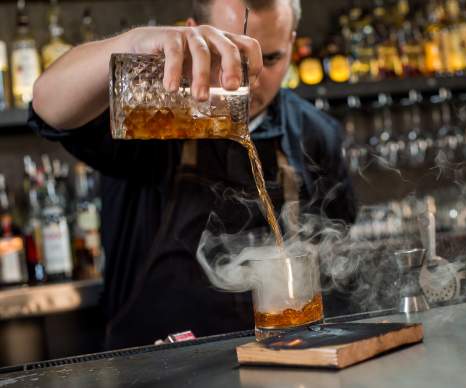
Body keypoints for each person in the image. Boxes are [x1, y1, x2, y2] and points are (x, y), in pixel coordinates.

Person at [30, 0, 356, 350]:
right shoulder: (152, 115)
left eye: (271, 59)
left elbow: (337, 265)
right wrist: (134, 44)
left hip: (287, 362)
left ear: (293, 42)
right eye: (230, 56)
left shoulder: (317, 134)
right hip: (158, 369)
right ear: (194, 35)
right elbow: (49, 107)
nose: (246, 80)